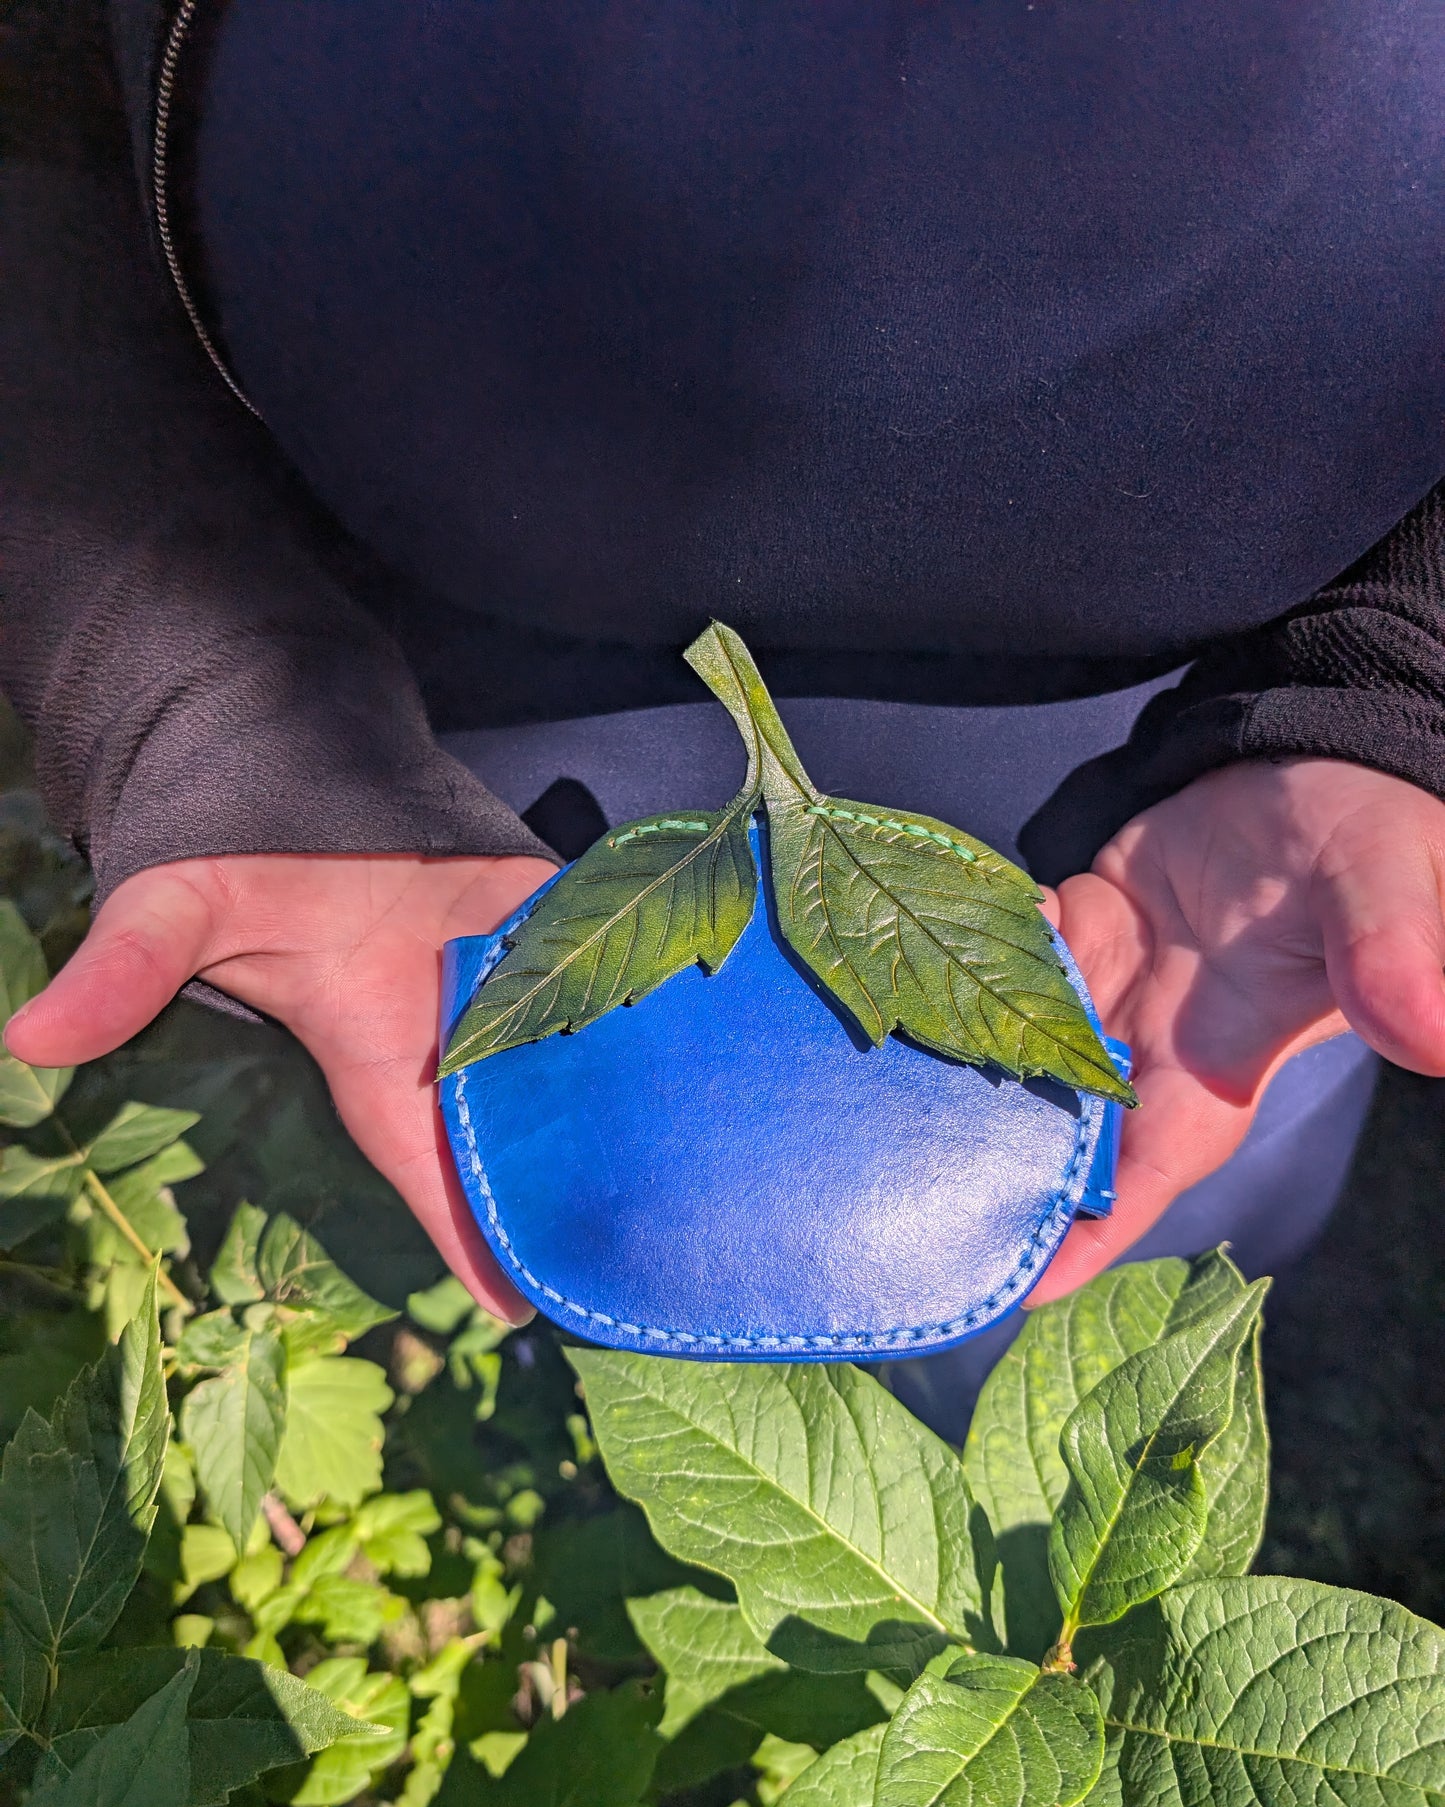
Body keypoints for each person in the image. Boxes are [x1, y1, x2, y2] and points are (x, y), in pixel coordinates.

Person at [4, 0, 1443, 1334]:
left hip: (1215, 752)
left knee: (1133, 1237)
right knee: (584, 1184)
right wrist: (204, 693)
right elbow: (36, 81)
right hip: (434, 737)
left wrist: (1397, 671)